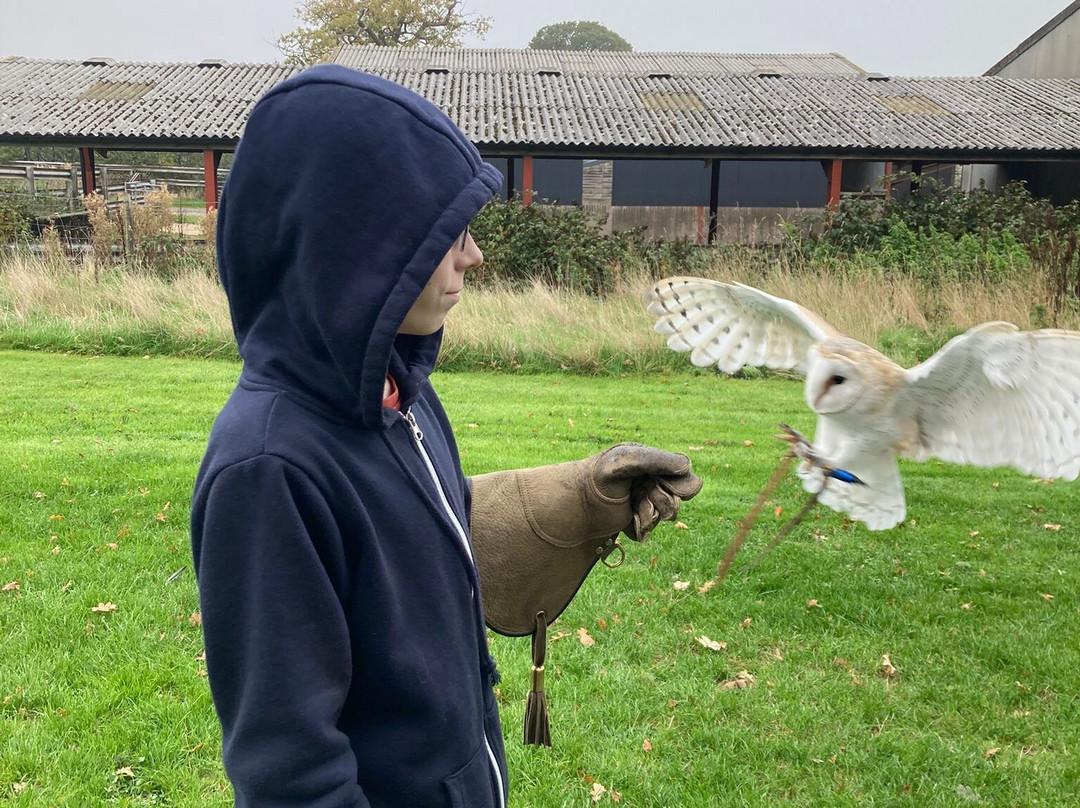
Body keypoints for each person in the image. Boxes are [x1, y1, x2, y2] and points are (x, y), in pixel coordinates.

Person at [190, 64, 703, 808]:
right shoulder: (268, 471)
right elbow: (289, 770)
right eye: (447, 232)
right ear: (360, 246)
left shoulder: (400, 396)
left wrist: (579, 501)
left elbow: (425, 529)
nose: (475, 255)